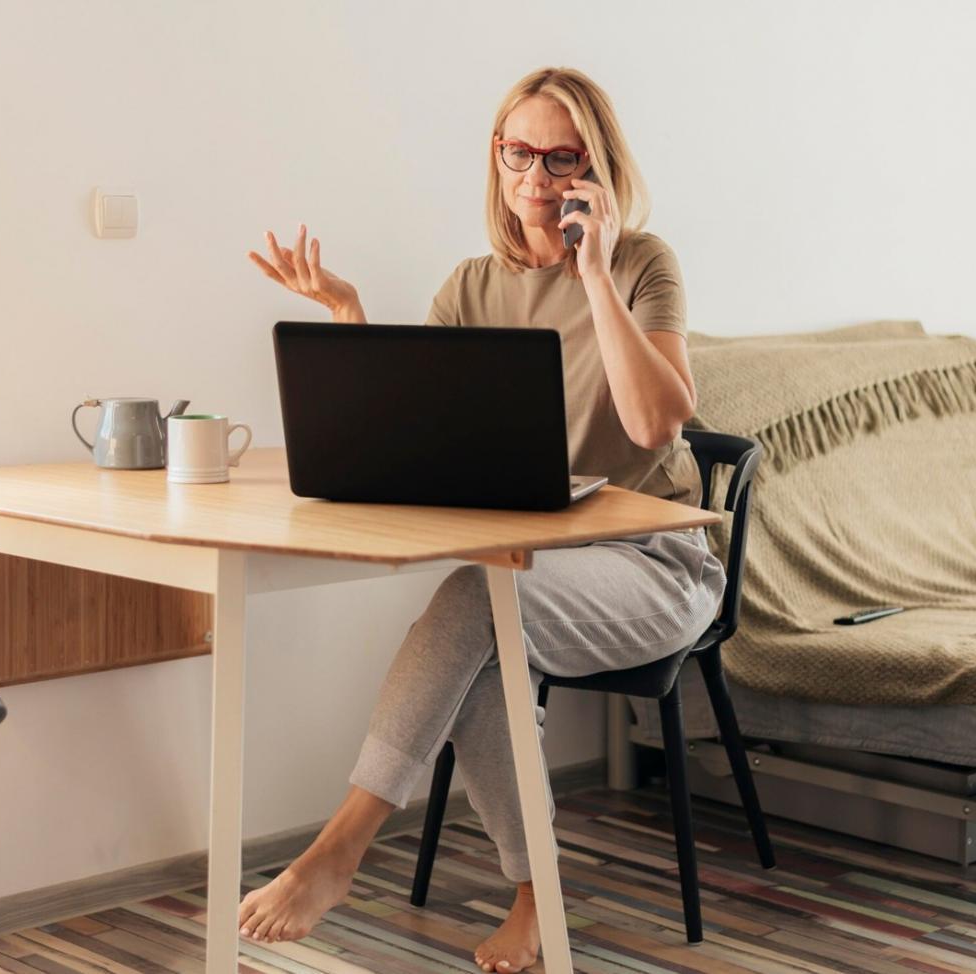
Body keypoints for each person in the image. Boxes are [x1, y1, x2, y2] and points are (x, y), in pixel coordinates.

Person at [241, 66, 726, 974]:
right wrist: (349, 319)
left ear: (596, 166)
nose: (536, 178)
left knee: (476, 606)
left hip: (659, 560)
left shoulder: (641, 265)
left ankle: (338, 849)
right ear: (495, 160)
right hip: (535, 562)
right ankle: (536, 898)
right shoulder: (473, 285)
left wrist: (593, 277)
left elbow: (657, 423)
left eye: (560, 157)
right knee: (484, 621)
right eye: (518, 153)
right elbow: (417, 437)